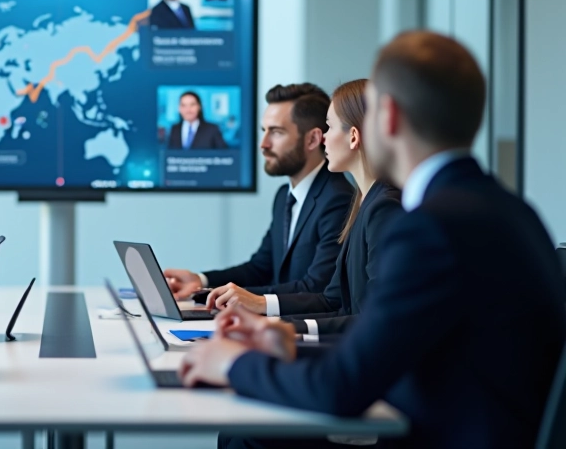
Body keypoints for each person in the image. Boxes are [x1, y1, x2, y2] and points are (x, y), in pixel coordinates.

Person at [180, 31, 566, 449]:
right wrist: (289, 347)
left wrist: (236, 365)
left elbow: (343, 388)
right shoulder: (514, 212)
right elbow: (386, 350)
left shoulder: (429, 228)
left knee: (250, 435)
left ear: (389, 117)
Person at [205, 80, 402, 337]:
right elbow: (332, 300)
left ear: (353, 137)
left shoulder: (382, 207)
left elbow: (378, 319)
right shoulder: (363, 201)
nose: (324, 138)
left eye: (329, 127)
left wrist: (280, 326)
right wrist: (273, 321)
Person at [164, 84, 354, 310]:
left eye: (276, 132)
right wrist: (201, 282)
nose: (263, 144)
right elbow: (259, 268)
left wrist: (245, 300)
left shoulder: (338, 200)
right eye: (264, 131)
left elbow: (316, 288)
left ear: (312, 139)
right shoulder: (284, 196)